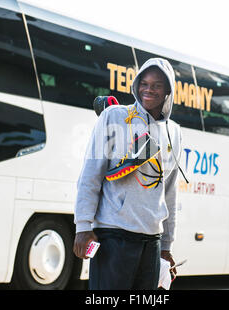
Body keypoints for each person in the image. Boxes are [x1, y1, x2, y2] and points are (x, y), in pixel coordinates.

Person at [73, 58, 182, 290]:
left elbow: (169, 193)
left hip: (151, 240)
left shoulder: (174, 132)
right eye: (144, 83)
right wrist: (83, 227)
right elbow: (90, 175)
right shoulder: (114, 117)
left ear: (168, 91)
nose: (148, 89)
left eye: (157, 85)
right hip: (114, 234)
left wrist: (166, 246)